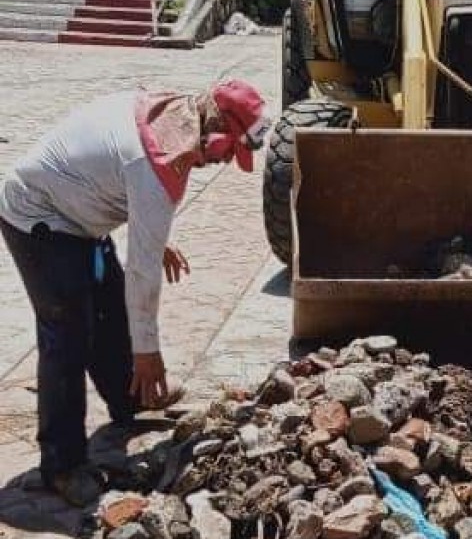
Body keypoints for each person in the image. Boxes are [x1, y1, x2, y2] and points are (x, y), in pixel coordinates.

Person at [0, 79, 270, 506]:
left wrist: (154, 235)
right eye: (224, 152)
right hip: (39, 219)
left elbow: (117, 177)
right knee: (68, 335)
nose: (218, 161)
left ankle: (130, 403)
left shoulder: (169, 115)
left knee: (109, 311)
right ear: (213, 134)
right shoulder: (153, 165)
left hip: (80, 214)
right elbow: (143, 276)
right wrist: (149, 353)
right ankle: (62, 466)